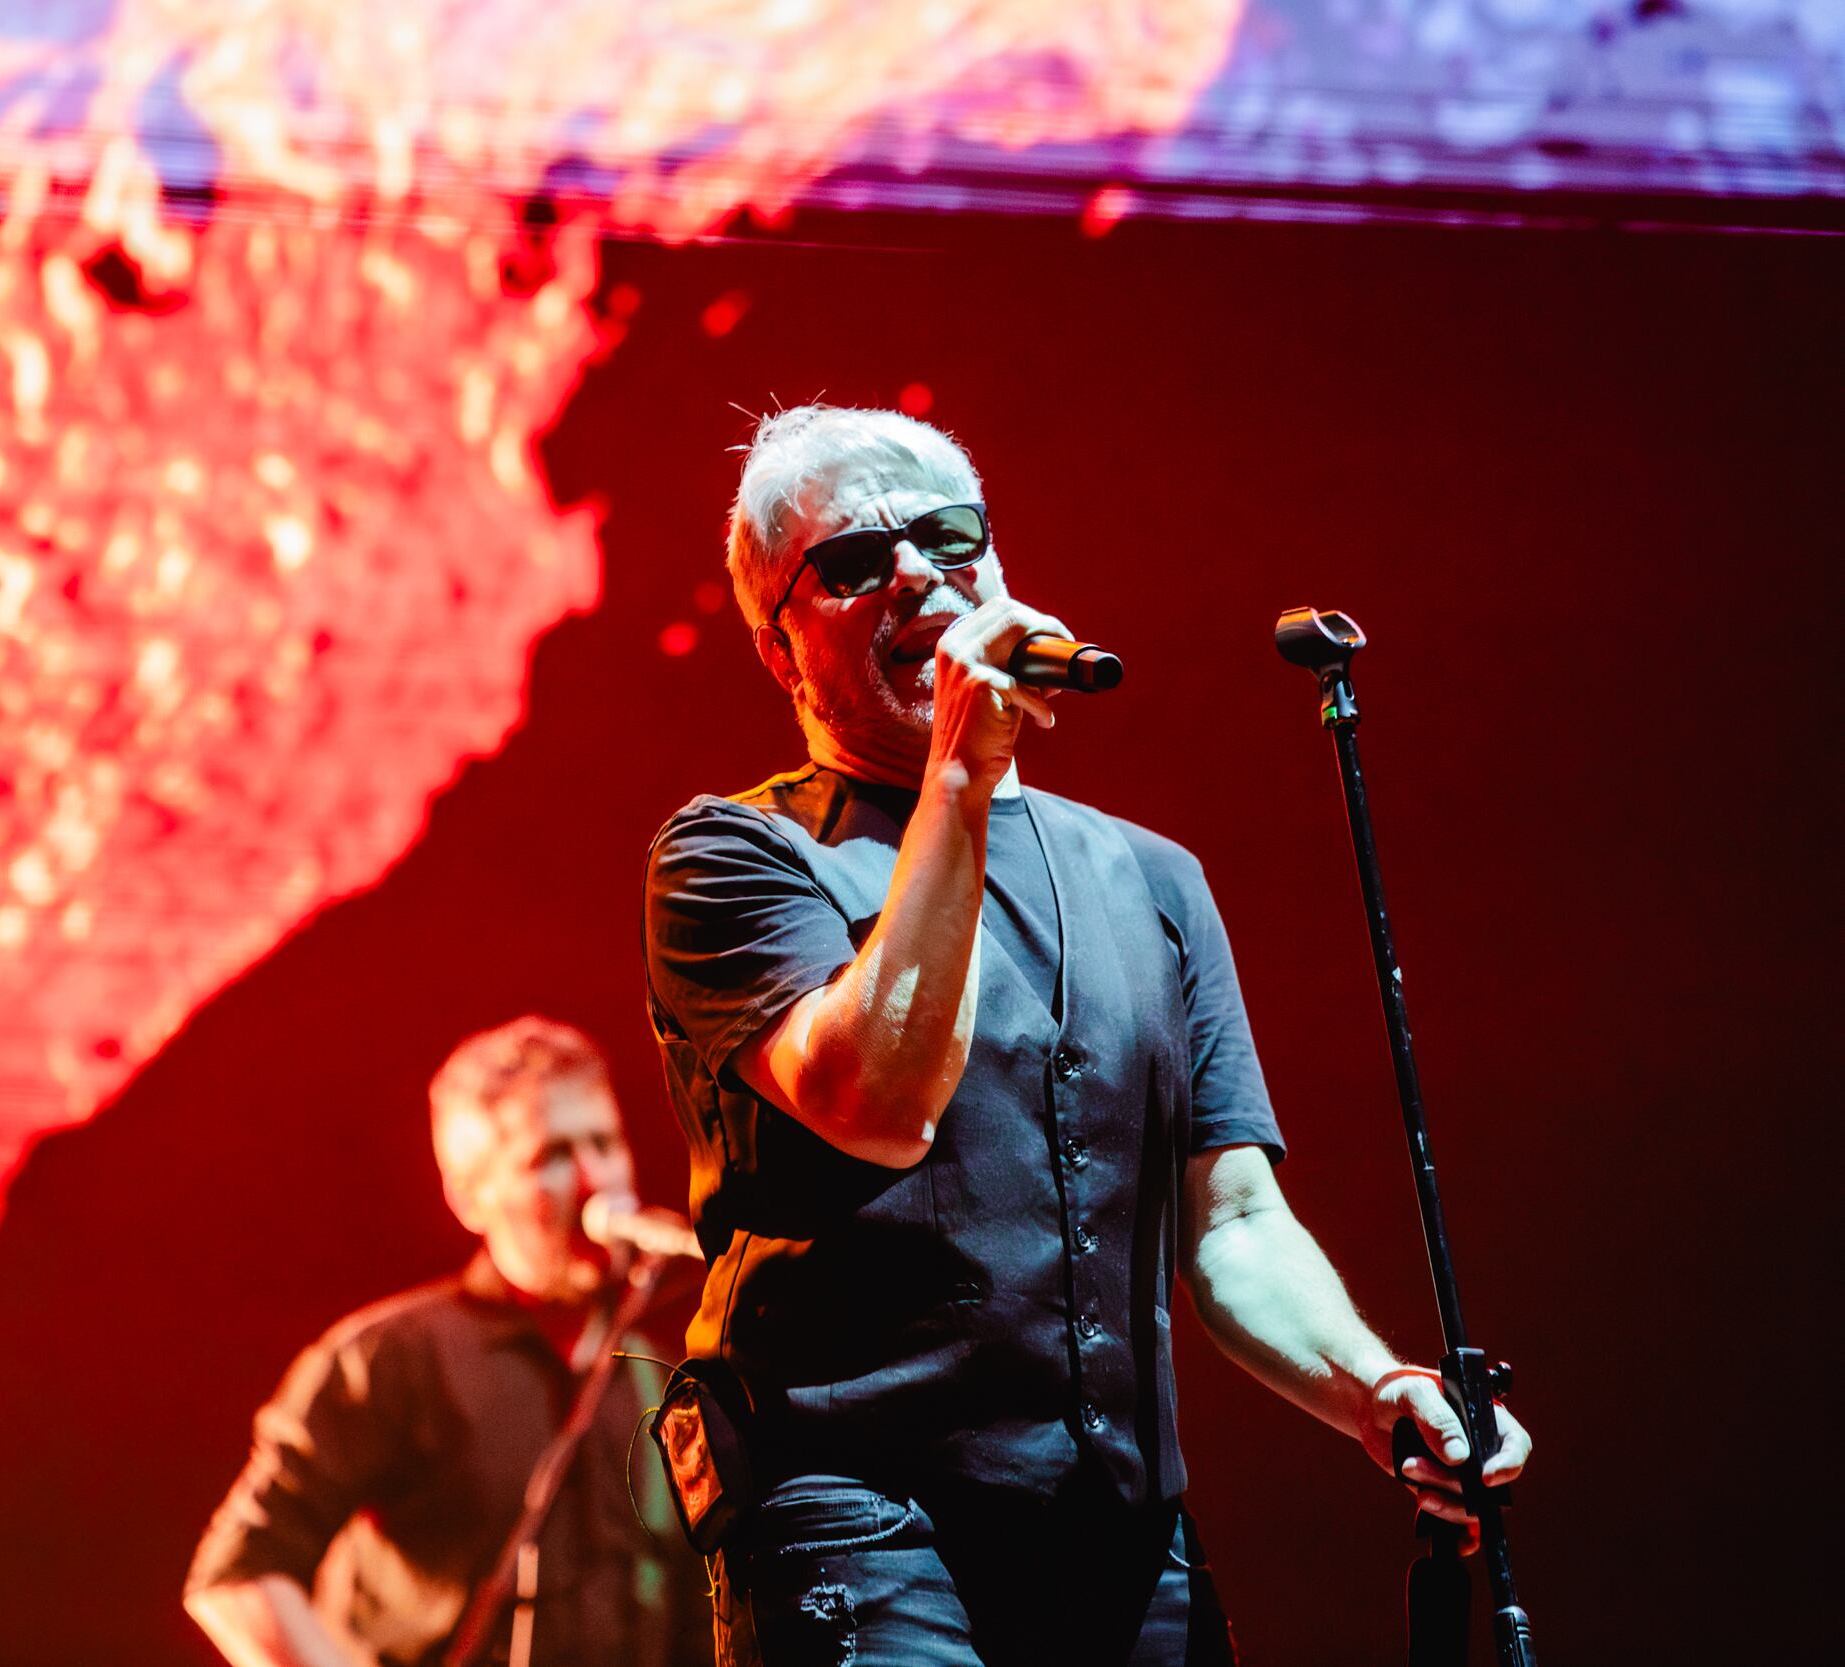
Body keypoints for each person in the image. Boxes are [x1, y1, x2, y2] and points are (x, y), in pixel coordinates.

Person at [638, 405, 1532, 1665]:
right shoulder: (734, 857)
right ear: (781, 652)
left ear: (997, 566)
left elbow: (1229, 1220)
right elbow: (877, 1099)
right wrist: (958, 770)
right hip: (860, 1532)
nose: (914, 573)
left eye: (948, 538)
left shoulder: (1149, 878)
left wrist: (1375, 1392)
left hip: (1117, 1541)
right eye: (850, 564)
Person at [185, 1016, 713, 1667]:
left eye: (605, 1142)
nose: (592, 1180)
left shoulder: (663, 1383)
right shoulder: (390, 1360)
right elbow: (238, 1577)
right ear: (468, 1195)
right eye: (551, 1155)